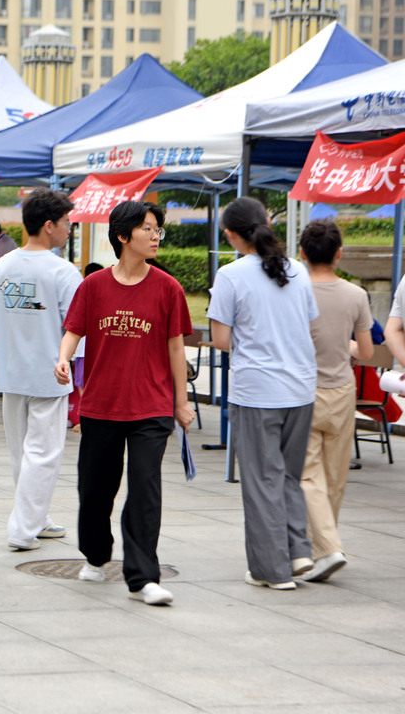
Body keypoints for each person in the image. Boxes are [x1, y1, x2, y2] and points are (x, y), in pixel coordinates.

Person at [55, 200, 193, 607]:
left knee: (145, 489)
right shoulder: (93, 286)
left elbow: (176, 349)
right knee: (96, 490)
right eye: (148, 229)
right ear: (122, 236)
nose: (155, 237)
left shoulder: (168, 288)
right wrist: (63, 359)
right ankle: (96, 555)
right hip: (100, 405)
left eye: (158, 230)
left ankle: (143, 577)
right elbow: (73, 330)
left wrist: (181, 403)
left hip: (151, 406)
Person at [208, 197, 319, 590]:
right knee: (288, 475)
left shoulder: (231, 274)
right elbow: (306, 324)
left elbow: (221, 339)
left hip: (257, 390)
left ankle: (272, 570)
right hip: (301, 388)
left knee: (260, 480)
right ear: (267, 223)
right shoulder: (299, 271)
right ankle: (299, 551)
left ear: (232, 235)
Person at [0, 190, 80, 551]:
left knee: (22, 451)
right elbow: (77, 324)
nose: (69, 228)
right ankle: (23, 529)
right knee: (44, 452)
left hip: (11, 370)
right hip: (51, 371)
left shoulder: (3, 264)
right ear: (49, 226)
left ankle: (37, 517)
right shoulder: (63, 272)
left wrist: (13, 325)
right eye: (66, 222)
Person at [296, 220, 373, 583]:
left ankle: (326, 548)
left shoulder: (294, 291)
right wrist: (347, 346)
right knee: (335, 476)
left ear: (302, 254)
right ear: (339, 253)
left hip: (303, 390)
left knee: (308, 474)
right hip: (342, 391)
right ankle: (324, 548)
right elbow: (367, 350)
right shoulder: (356, 295)